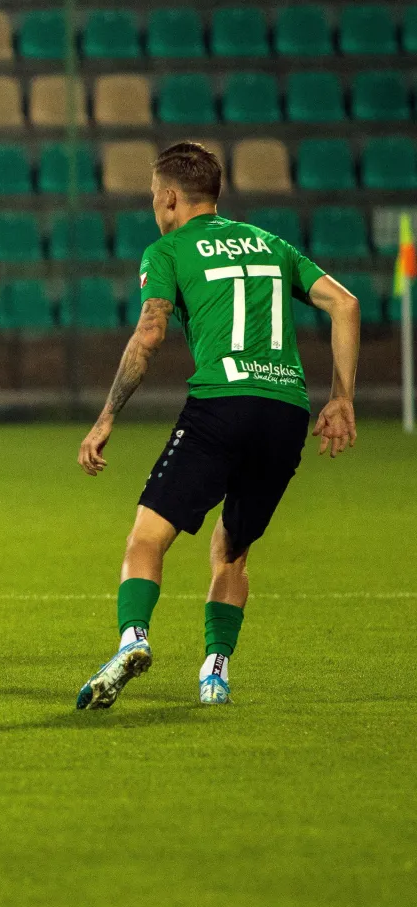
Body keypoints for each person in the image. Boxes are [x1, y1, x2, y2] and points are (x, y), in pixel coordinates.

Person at [74, 142, 360, 709]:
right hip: (285, 412)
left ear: (171, 198)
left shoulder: (167, 249)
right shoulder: (271, 244)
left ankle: (132, 641)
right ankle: (214, 673)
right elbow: (345, 305)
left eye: (156, 199)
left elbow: (150, 335)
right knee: (231, 550)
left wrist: (105, 418)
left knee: (147, 538)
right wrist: (343, 399)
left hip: (221, 406)